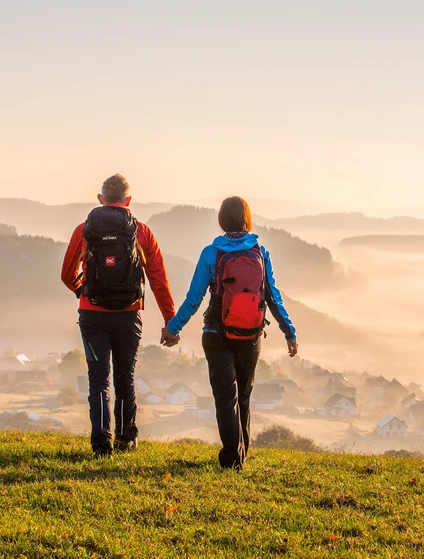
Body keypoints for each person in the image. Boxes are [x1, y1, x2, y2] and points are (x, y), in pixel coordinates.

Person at [161, 197, 298, 470]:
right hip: (251, 335)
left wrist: (172, 328)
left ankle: (232, 459)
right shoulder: (261, 252)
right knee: (244, 396)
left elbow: (194, 298)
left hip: (216, 334)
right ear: (247, 219)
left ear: (221, 220)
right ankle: (239, 456)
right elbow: (273, 297)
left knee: (226, 399)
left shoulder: (211, 253)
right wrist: (289, 333)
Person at [61, 174, 176, 458]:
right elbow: (158, 279)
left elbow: (66, 274)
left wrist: (83, 291)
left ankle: (102, 444)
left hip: (92, 317)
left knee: (98, 380)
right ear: (129, 200)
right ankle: (126, 438)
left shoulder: (84, 230)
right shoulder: (142, 232)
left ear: (100, 199)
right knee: (125, 377)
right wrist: (170, 319)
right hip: (129, 316)